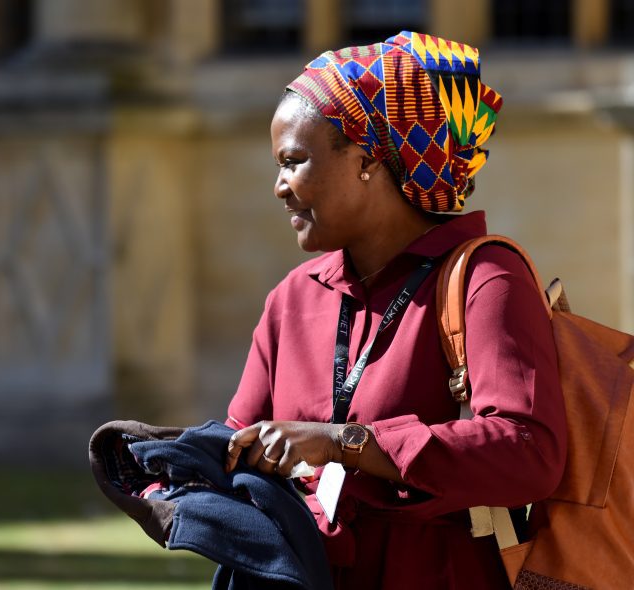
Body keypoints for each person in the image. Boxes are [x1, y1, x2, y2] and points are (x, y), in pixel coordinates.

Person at [222, 31, 567, 589]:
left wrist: (345, 443)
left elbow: (529, 453)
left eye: (294, 161)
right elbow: (243, 441)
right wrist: (177, 461)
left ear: (365, 161)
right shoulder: (293, 296)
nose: (280, 187)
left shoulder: (487, 278)